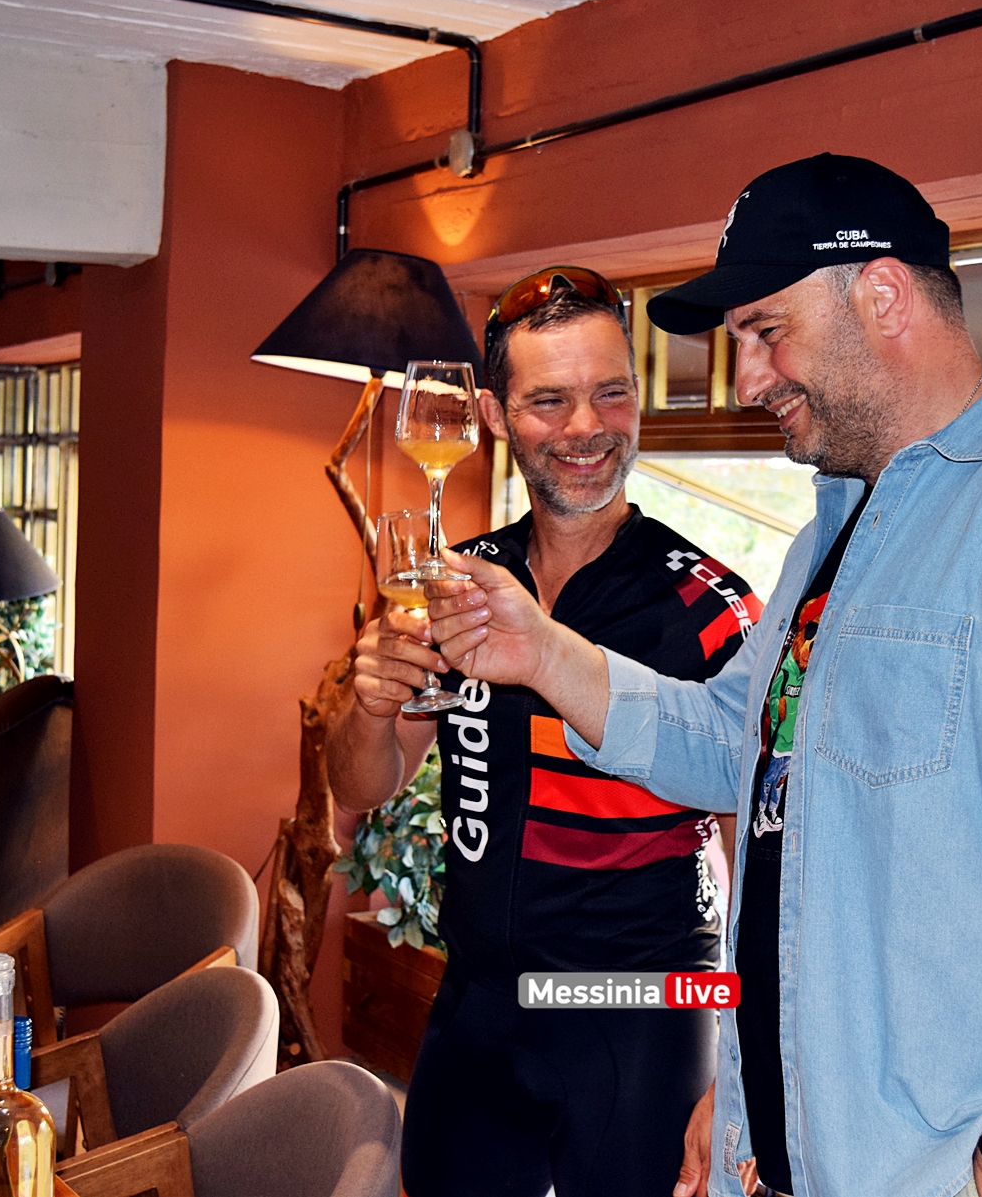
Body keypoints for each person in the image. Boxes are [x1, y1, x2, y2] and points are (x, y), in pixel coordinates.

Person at [424, 156, 982, 1197]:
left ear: (882, 296)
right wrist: (539, 650)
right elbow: (733, 745)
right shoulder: (836, 534)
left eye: (767, 331)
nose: (748, 378)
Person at [327, 266, 765, 1197]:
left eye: (612, 392)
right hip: (478, 1002)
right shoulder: (460, 583)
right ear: (493, 414)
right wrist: (367, 703)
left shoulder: (712, 610)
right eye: (550, 400)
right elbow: (361, 787)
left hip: (642, 1014)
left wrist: (739, 1064)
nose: (587, 428)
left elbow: (762, 861)